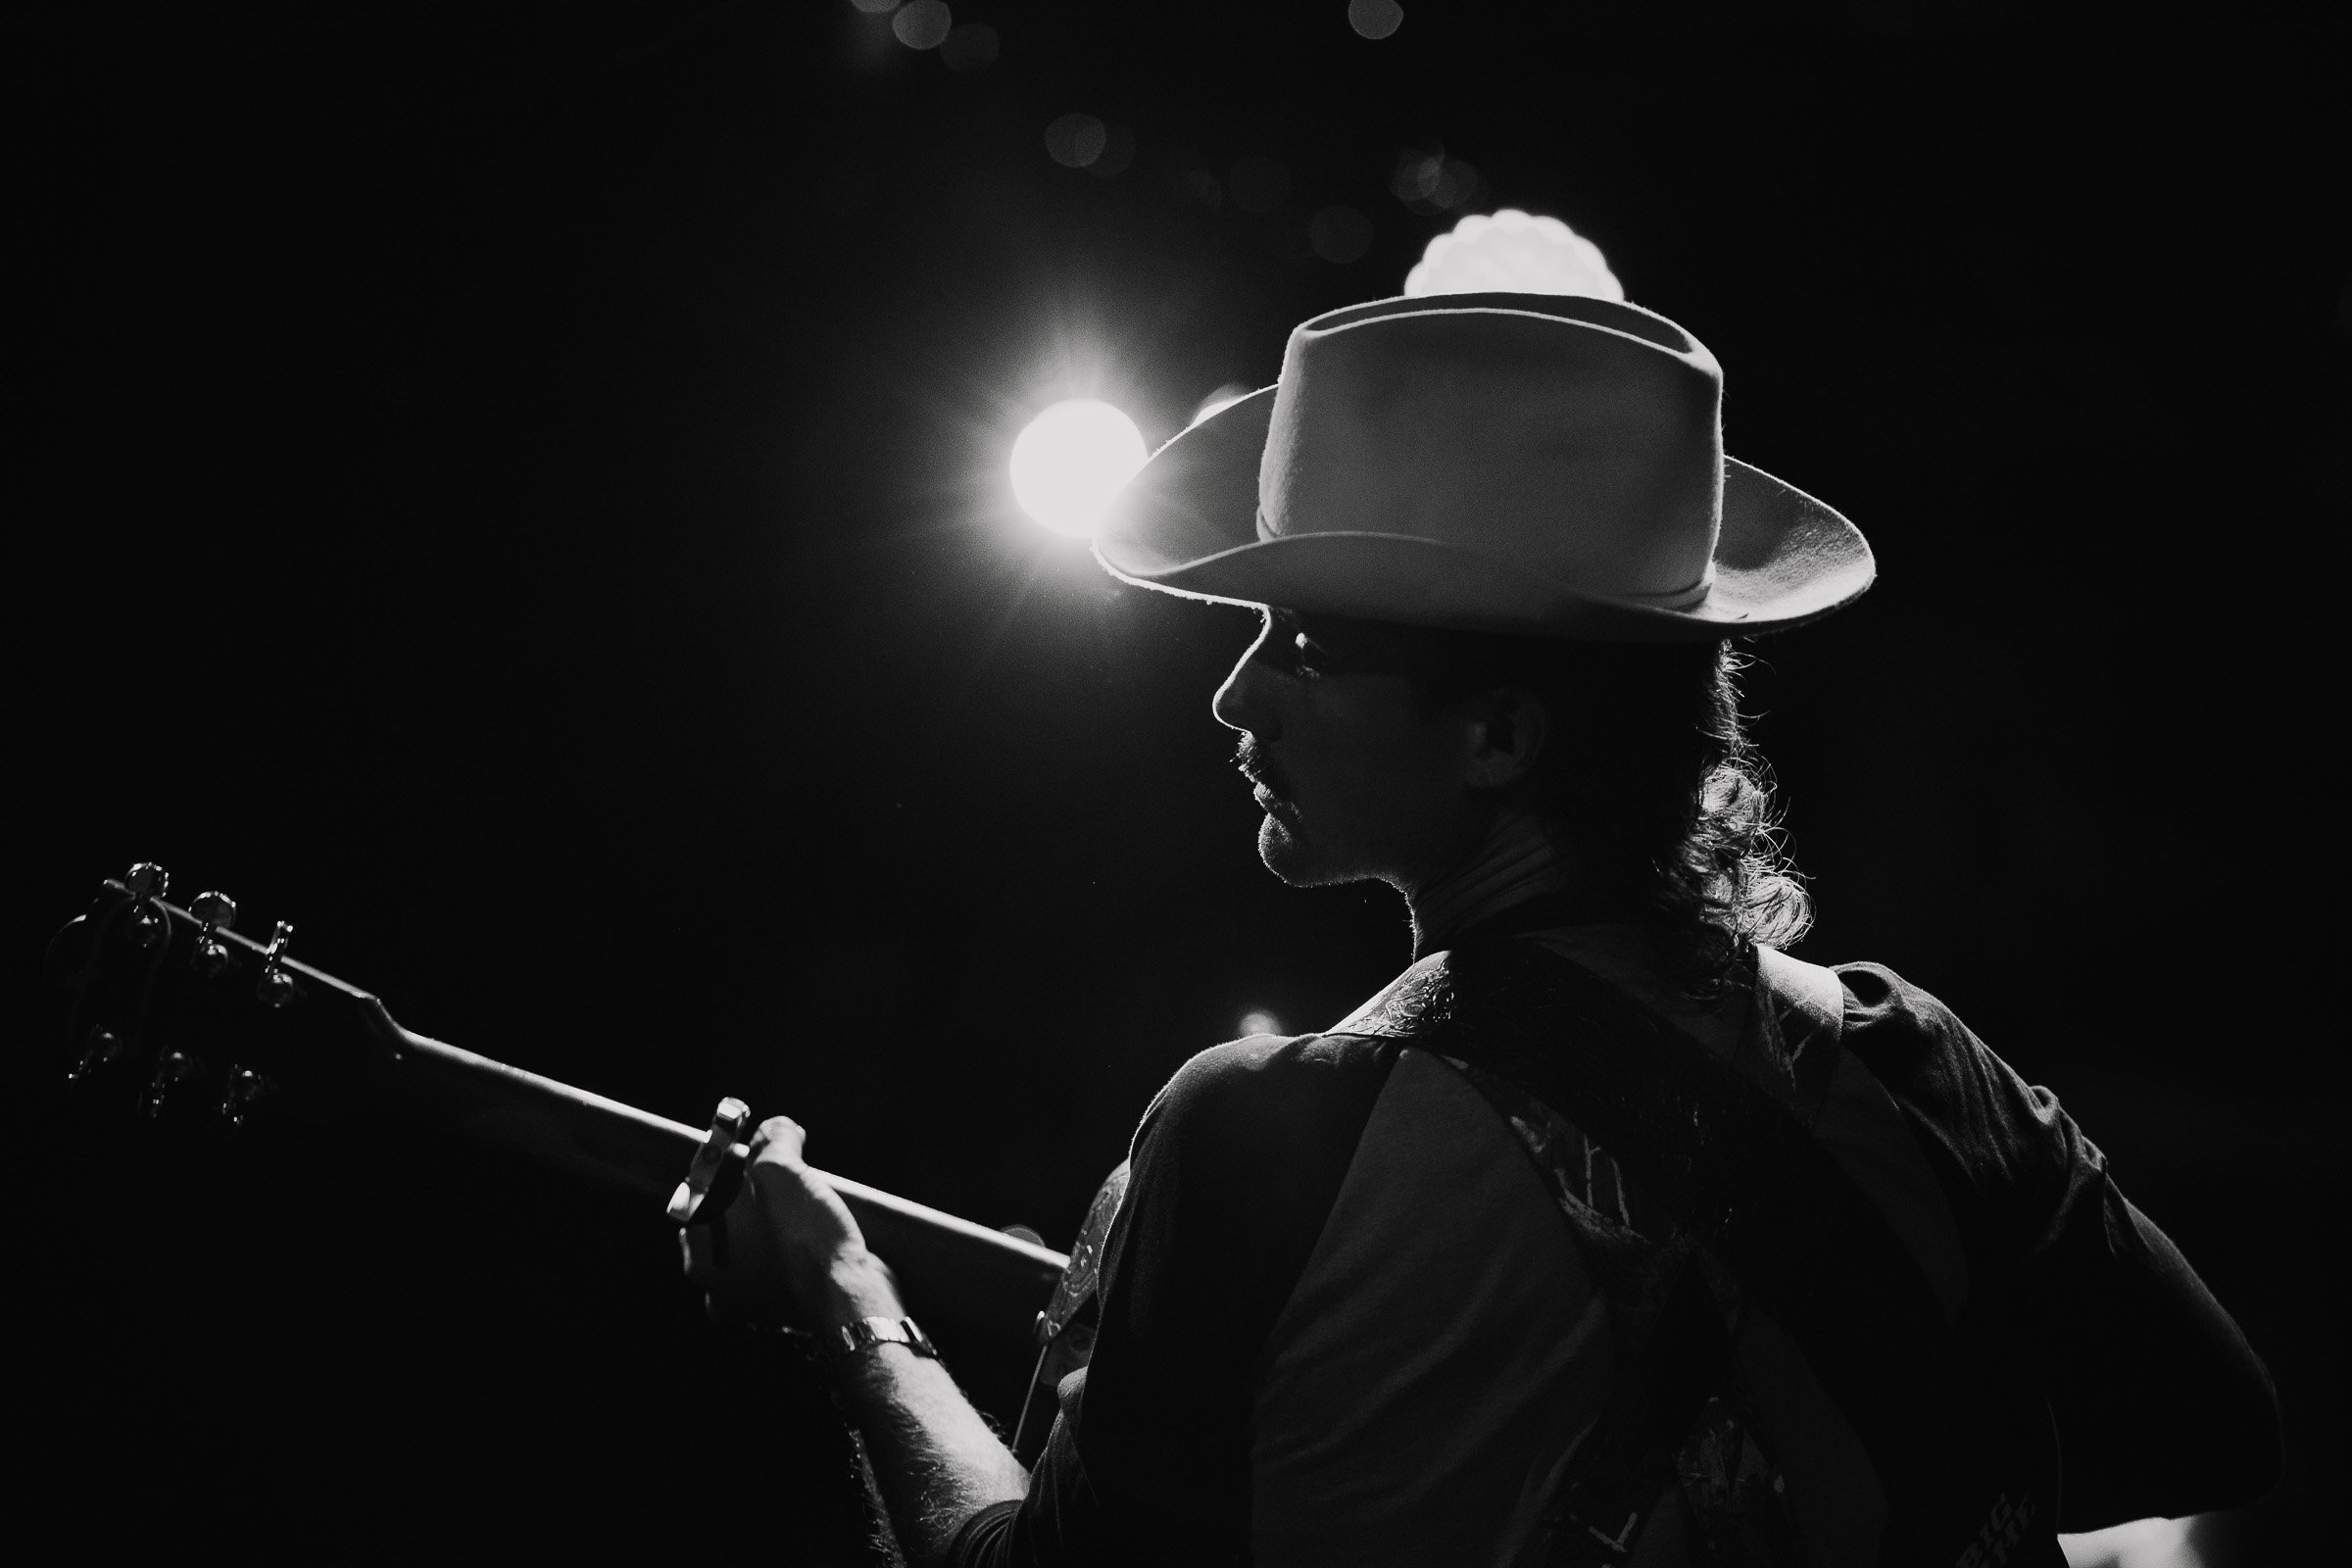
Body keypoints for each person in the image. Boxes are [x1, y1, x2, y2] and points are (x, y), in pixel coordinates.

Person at [686, 294, 2281, 1566]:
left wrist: (850, 1303)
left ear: (1501, 738)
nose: (1238, 692)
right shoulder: (1915, 1063)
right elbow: (2207, 1434)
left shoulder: (1260, 1144)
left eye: (1304, 642)